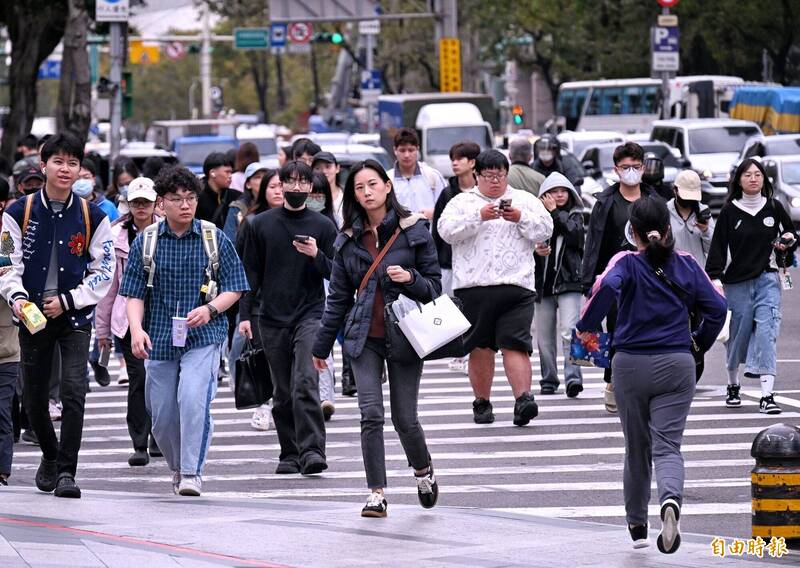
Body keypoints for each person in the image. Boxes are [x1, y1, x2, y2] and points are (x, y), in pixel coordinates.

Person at [577, 196, 726, 553]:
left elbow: (605, 287)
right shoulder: (687, 264)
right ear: (668, 228)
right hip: (677, 363)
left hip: (630, 364)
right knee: (668, 446)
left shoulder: (625, 262)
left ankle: (637, 526)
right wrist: (698, 344)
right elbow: (718, 308)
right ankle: (670, 501)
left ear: (633, 231)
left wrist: (587, 324)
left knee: (636, 448)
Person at [312, 159, 442, 517]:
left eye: (372, 184)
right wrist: (321, 346)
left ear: (387, 186)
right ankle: (376, 493)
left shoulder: (414, 229)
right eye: (359, 187)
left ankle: (423, 471)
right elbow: (338, 297)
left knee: (405, 418)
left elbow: (435, 287)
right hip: (363, 336)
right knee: (370, 414)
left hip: (405, 335)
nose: (367, 192)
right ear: (353, 195)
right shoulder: (347, 239)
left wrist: (410, 279)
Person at [120, 165, 249, 496]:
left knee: (193, 399)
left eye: (190, 197)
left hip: (204, 336)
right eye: (176, 199)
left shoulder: (212, 237)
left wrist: (210, 309)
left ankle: (192, 471)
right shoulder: (146, 242)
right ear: (161, 203)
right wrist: (136, 330)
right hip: (160, 337)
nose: (185, 205)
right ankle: (178, 466)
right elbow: (134, 294)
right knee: (161, 416)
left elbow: (235, 287)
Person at [0, 132, 115, 498]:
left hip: (75, 316)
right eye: (58, 162)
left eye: (73, 163)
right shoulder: (18, 212)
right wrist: (19, 299)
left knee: (74, 391)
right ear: (43, 165)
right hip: (31, 314)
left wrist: (69, 300)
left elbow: (104, 269)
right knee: (34, 400)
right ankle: (50, 455)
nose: (65, 169)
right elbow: (6, 263)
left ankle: (67, 471)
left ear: (80, 169)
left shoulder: (93, 215)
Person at [438, 150, 553, 426]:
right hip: (473, 286)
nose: (495, 181)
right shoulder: (461, 202)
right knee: (480, 347)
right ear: (476, 175)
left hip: (517, 285)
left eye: (500, 175)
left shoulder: (525, 200)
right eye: (488, 176)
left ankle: (524, 400)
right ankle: (482, 402)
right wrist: (478, 216)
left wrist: (520, 217)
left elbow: (545, 229)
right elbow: (445, 231)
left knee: (516, 343)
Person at [241, 161, 337, 475]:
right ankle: (290, 452)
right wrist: (245, 315)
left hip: (311, 314)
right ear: (280, 185)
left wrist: (317, 255)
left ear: (311, 187)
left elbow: (338, 273)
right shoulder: (259, 225)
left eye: (303, 182)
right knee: (281, 391)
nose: (296, 187)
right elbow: (250, 274)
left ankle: (312, 451)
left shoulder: (323, 225)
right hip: (270, 316)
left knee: (305, 382)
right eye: (290, 181)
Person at [706, 158, 797, 413]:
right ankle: (733, 385)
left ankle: (767, 396)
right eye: (747, 175)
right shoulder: (729, 211)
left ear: (764, 178)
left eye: (758, 174)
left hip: (767, 280)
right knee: (736, 337)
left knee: (768, 332)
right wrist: (715, 279)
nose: (753, 178)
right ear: (738, 181)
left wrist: (788, 240)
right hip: (736, 284)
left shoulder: (774, 207)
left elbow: (791, 234)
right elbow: (717, 248)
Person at [582, 142, 662, 413]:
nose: (631, 171)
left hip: (650, 277)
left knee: (648, 329)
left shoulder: (654, 200)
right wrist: (589, 281)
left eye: (636, 166)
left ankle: (641, 385)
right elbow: (593, 243)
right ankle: (613, 382)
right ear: (616, 170)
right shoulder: (605, 202)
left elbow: (666, 238)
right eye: (625, 167)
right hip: (616, 279)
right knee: (618, 330)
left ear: (643, 168)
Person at [96, 177, 161, 467]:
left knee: (163, 379)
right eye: (136, 202)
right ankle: (140, 442)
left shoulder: (170, 230)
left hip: (163, 317)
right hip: (127, 319)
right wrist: (102, 331)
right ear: (128, 204)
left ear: (155, 203)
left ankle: (160, 435)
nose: (141, 207)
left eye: (146, 202)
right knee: (139, 380)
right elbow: (107, 288)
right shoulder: (115, 235)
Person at [236, 169, 282, 432]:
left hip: (289, 302)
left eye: (281, 186)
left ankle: (283, 405)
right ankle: (263, 405)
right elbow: (244, 268)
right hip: (258, 302)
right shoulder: (252, 222)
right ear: (263, 190)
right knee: (261, 354)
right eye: (272, 186)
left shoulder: (301, 220)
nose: (278, 191)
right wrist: (243, 312)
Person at [533, 172, 585, 397]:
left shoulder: (575, 215)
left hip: (569, 281)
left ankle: (573, 378)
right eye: (554, 191)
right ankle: (548, 379)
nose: (559, 195)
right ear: (544, 195)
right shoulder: (536, 217)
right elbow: (525, 244)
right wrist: (536, 251)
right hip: (543, 284)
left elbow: (576, 237)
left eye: (563, 191)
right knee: (544, 338)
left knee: (569, 332)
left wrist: (555, 213)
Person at [432, 140, 480, 375]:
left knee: (472, 307)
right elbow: (437, 229)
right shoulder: (448, 193)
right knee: (451, 307)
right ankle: (459, 352)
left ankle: (470, 352)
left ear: (472, 163)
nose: (454, 163)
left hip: (477, 261)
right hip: (448, 260)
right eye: (453, 158)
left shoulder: (482, 192)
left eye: (460, 158)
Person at [0, 177, 19, 487]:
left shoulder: (8, 236)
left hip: (7, 344)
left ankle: (2, 469)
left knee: (2, 409)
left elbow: (12, 272)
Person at [387, 128, 446, 220]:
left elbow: (448, 208)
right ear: (395, 150)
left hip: (429, 229)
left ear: (417, 149)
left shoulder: (432, 176)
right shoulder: (387, 179)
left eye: (411, 150)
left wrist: (435, 213)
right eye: (402, 150)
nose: (407, 155)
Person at [667, 170, 715, 265]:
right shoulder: (665, 211)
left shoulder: (703, 212)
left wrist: (706, 231)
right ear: (675, 190)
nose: (688, 200)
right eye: (685, 196)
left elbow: (712, 249)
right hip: (673, 270)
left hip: (698, 270)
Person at [197, 152, 233, 225]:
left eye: (231, 172)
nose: (230, 176)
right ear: (212, 173)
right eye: (227, 172)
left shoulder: (235, 196)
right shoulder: (197, 198)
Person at [312, 151, 344, 227]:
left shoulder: (347, 194)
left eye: (328, 167)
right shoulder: (308, 196)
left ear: (337, 168)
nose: (324, 171)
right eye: (318, 168)